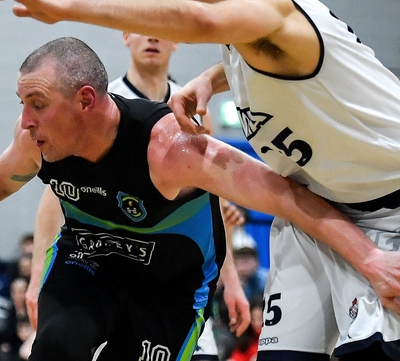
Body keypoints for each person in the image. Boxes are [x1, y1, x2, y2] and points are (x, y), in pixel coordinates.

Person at [0, 0, 400, 358]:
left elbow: (203, 21)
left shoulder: (273, 9)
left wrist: (64, 7)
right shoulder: (246, 36)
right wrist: (209, 78)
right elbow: (244, 48)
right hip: (321, 211)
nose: (151, 5)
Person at [0, 37, 400, 361]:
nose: (25, 119)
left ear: (87, 100)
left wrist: (370, 259)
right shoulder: (38, 140)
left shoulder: (172, 148)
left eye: (37, 103)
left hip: (167, 290)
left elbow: (286, 197)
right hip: (88, 266)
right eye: (23, 104)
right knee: (56, 352)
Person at [25, 32, 243, 361]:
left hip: (168, 274)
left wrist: (232, 279)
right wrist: (36, 274)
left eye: (162, 29)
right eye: (143, 28)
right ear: (126, 37)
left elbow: (210, 210)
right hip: (106, 268)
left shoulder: (191, 109)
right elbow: (56, 194)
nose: (152, 37)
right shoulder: (101, 103)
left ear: (177, 40)